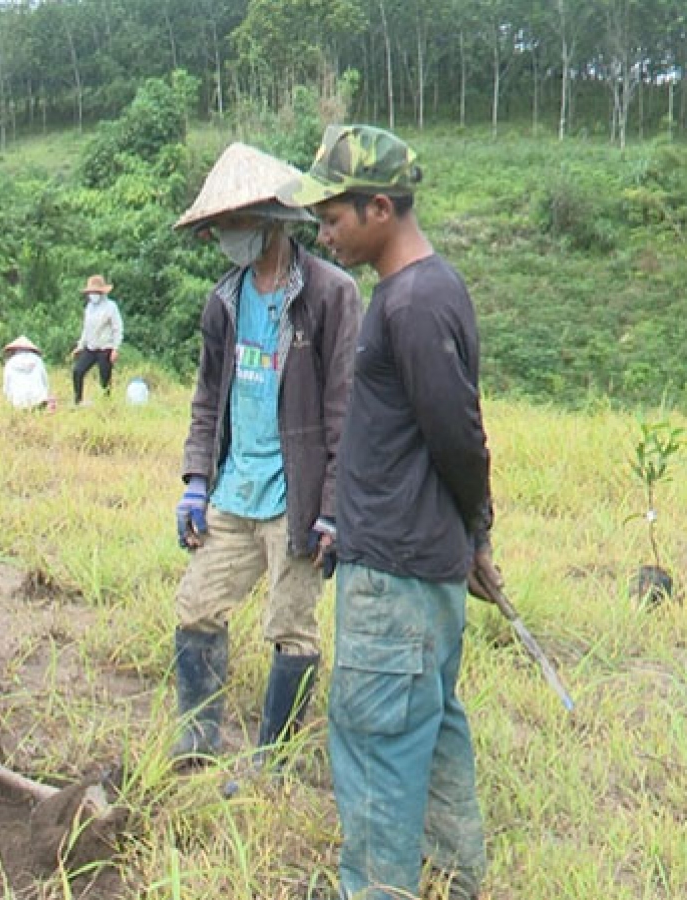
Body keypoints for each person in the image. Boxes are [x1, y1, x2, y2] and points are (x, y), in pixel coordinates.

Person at [280, 124, 500, 900]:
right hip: (421, 566)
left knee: (376, 749)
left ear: (380, 208)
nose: (325, 235)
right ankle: (450, 880)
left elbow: (459, 438)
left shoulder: (411, 303)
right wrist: (471, 537)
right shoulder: (424, 293)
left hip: (396, 581)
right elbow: (453, 435)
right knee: (431, 733)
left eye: (334, 219)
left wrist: (476, 530)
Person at [167, 143, 361, 770]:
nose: (225, 236)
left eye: (234, 223)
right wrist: (197, 479)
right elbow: (206, 399)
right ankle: (197, 740)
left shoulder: (330, 295)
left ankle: (269, 760)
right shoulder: (224, 301)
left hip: (296, 499)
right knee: (196, 606)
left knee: (291, 628)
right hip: (234, 489)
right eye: (219, 226)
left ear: (270, 220)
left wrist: (331, 510)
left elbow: (345, 411)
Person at [70, 275, 122, 404]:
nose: (93, 295)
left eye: (95, 292)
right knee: (78, 371)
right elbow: (86, 329)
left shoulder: (111, 307)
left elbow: (117, 328)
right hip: (91, 347)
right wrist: (80, 345)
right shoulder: (89, 307)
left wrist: (116, 348)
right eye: (91, 292)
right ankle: (78, 400)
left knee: (105, 378)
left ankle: (106, 403)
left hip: (105, 348)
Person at [1, 335, 51, 410]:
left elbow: (7, 386)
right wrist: (46, 395)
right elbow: (45, 381)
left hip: (18, 401)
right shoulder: (37, 360)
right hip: (38, 399)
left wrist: (10, 400)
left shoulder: (10, 362)